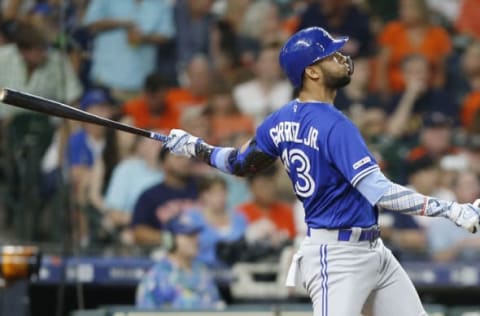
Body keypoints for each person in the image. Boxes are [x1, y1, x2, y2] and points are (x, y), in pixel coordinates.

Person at [164, 26, 480, 316]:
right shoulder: (335, 125)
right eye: (331, 54)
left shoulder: (279, 119)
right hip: (338, 257)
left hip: (372, 251)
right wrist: (450, 209)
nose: (343, 58)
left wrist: (195, 147)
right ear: (312, 71)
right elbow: (379, 191)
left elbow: (237, 162)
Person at [135, 211, 224, 310]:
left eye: (196, 235)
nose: (196, 240)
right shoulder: (157, 275)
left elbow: (217, 306)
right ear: (169, 239)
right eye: (189, 236)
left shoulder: (202, 270)